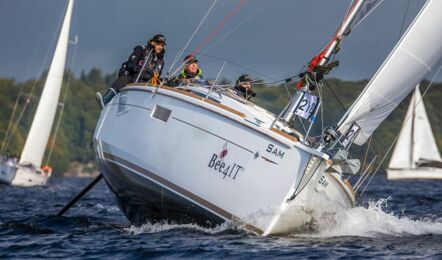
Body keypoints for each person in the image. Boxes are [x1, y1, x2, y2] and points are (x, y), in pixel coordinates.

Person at [95, 34, 166, 108]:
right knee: (122, 80)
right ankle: (105, 100)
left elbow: (157, 75)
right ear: (153, 43)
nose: (160, 47)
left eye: (162, 45)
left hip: (147, 84)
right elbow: (130, 64)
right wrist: (136, 69)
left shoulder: (161, 61)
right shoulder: (141, 49)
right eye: (158, 44)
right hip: (133, 77)